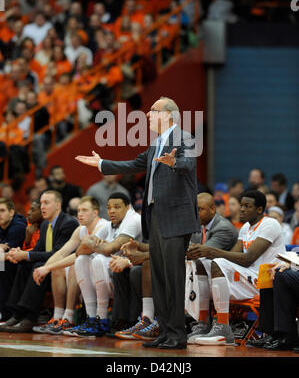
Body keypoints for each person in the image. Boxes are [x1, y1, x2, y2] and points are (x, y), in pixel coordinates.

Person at [75, 96, 200, 349]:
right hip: (155, 216)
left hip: (176, 217)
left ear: (169, 115)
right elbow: (133, 164)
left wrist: (174, 162)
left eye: (153, 111)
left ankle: (177, 335)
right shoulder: (156, 144)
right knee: (159, 277)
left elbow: (188, 163)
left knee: (173, 278)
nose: (148, 115)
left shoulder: (183, 137)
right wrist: (101, 164)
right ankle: (164, 332)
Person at [188, 190, 285, 346]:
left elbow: (248, 259)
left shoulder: (270, 224)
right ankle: (203, 322)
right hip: (249, 277)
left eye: (247, 206)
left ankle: (222, 326)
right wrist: (207, 254)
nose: (241, 209)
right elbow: (230, 255)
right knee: (202, 262)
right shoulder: (246, 227)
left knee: (216, 261)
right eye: (241, 206)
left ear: (259, 209)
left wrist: (210, 251)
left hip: (266, 280)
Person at [63, 192, 142, 338]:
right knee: (81, 261)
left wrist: (93, 244)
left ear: (128, 207)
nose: (111, 211)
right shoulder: (110, 224)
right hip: (112, 272)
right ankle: (91, 318)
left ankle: (102, 318)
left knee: (98, 259)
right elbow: (80, 251)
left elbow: (110, 249)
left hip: (127, 270)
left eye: (117, 207)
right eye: (109, 207)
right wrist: (94, 245)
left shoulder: (133, 220)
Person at [0, 190, 79, 332]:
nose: (42, 207)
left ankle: (31, 317)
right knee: (24, 264)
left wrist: (25, 255)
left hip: (66, 268)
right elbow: (37, 250)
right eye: (41, 203)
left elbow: (57, 254)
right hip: (48, 267)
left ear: (57, 205)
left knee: (37, 264)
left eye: (46, 203)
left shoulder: (68, 223)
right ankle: (16, 314)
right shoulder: (44, 225)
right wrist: (20, 254)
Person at [32, 196, 109, 335]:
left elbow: (78, 254)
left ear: (95, 212)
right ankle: (57, 317)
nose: (80, 214)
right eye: (79, 210)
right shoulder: (81, 229)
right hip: (89, 273)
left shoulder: (103, 227)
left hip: (105, 272)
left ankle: (68, 318)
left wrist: (47, 268)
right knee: (58, 269)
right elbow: (63, 252)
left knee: (75, 264)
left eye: (84, 210)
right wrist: (44, 269)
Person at [185, 192, 238, 343]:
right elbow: (185, 248)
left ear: (213, 210)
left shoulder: (224, 228)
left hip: (225, 275)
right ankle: (200, 323)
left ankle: (213, 324)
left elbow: (199, 252)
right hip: (206, 273)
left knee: (197, 262)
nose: (196, 213)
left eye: (200, 209)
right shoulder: (197, 225)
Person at [0, 198, 27, 321]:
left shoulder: (18, 226)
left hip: (22, 262)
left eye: (2, 210)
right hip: (6, 261)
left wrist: (2, 251)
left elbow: (9, 255)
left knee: (3, 266)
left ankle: (6, 312)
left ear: (11, 212)